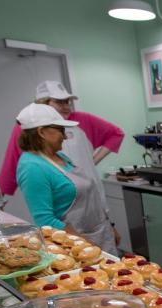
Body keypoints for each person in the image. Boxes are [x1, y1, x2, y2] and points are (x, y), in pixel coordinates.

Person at [15, 103, 117, 253]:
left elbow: (90, 197)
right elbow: (45, 221)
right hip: (75, 244)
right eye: (60, 130)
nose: (64, 136)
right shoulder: (32, 167)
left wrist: (110, 227)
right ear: (42, 132)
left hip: (99, 233)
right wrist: (83, 244)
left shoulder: (60, 156)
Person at [0, 81, 124, 198]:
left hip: (91, 191)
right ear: (43, 104)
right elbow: (12, 160)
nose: (66, 107)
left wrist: (92, 161)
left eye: (67, 102)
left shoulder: (83, 119)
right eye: (59, 102)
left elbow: (116, 134)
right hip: (58, 195)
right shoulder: (26, 128)